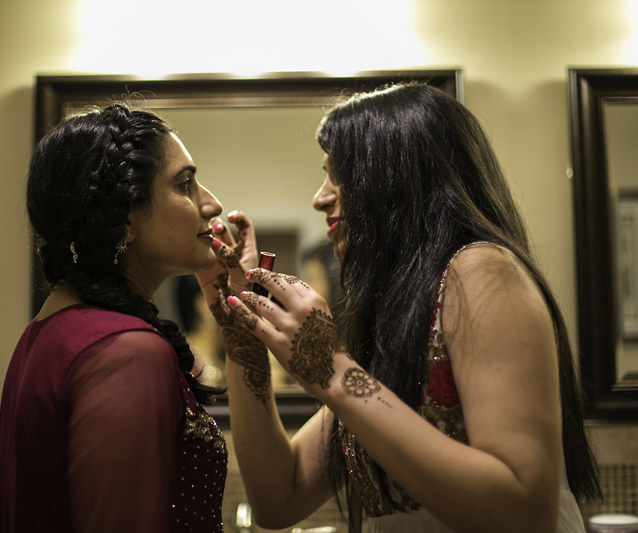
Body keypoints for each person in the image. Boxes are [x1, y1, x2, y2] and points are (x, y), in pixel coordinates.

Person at [198, 82, 601, 533]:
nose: (320, 197)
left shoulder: (480, 269)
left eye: (339, 175)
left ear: (396, 177)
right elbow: (279, 498)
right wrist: (240, 324)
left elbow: (524, 512)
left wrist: (331, 371)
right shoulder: (396, 323)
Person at [0, 105, 229, 532]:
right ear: (125, 216)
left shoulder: (47, 329)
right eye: (185, 185)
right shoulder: (128, 353)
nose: (212, 205)